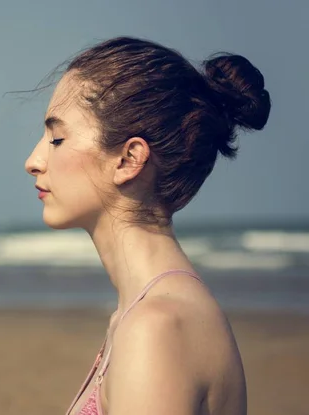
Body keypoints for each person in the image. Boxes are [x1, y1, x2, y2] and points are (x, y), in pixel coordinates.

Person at [24, 37, 271, 415]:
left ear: (128, 159)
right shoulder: (143, 316)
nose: (33, 160)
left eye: (57, 138)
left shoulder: (156, 329)